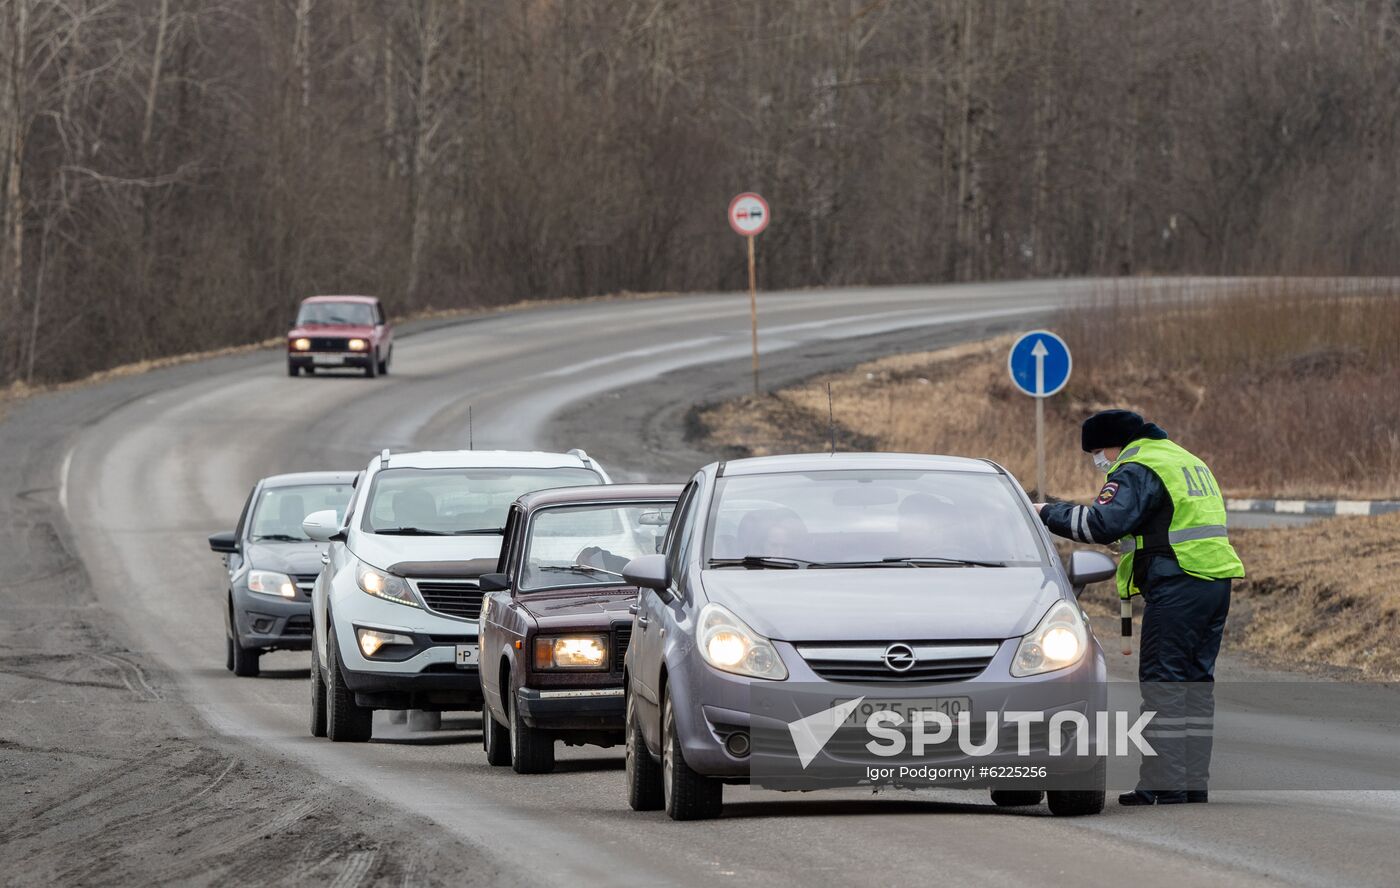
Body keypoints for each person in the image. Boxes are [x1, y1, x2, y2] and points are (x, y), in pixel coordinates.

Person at [1035, 409, 1245, 806]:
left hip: (1178, 581)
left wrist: (1047, 512)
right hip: (1213, 581)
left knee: (1163, 683)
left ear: (1115, 443)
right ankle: (1191, 783)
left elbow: (1101, 524)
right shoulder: (1183, 459)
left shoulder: (1137, 465)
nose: (1099, 462)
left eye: (1098, 452)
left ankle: (1163, 784)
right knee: (1195, 686)